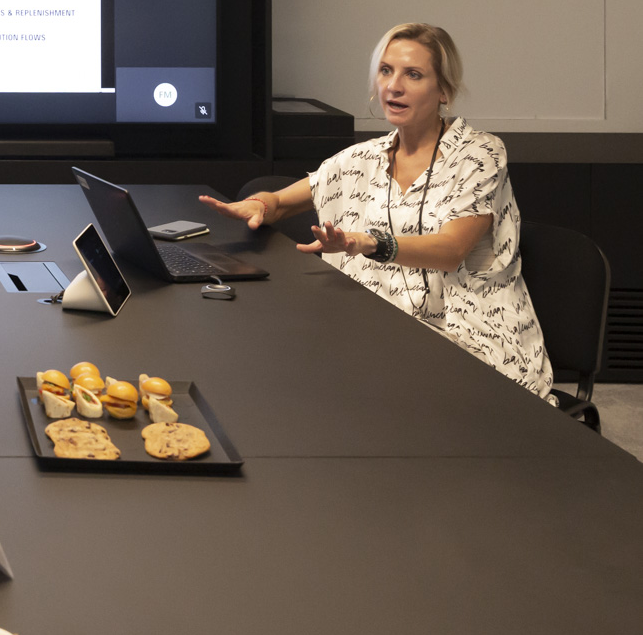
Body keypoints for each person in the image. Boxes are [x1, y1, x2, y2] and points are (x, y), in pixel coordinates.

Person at [199, 23, 550, 397]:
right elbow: (280, 203)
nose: (393, 86)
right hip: (379, 333)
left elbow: (451, 250)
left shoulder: (479, 154)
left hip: (471, 342)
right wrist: (258, 204)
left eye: (413, 74)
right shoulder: (361, 158)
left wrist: (369, 242)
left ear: (444, 90)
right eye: (386, 71)